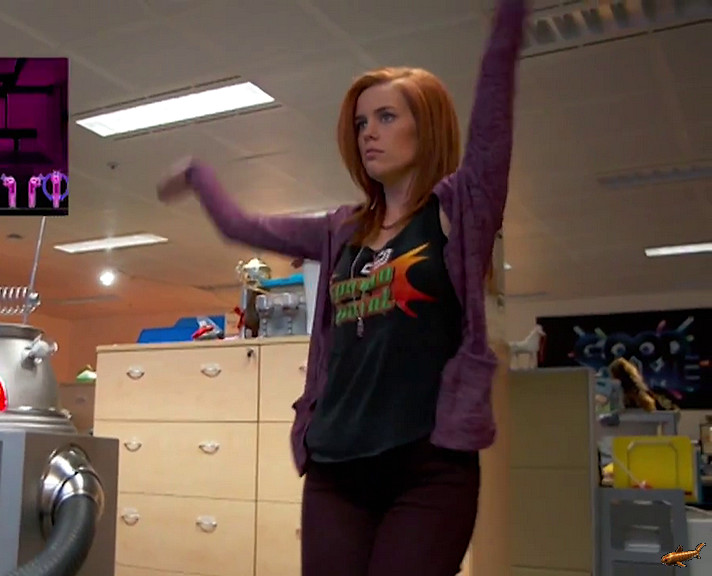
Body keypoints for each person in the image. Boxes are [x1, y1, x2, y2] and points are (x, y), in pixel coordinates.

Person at [155, 1, 529, 573]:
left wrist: (506, 23)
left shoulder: (458, 212)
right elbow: (243, 226)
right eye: (360, 123)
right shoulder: (342, 230)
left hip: (428, 468)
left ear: (425, 126)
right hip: (336, 468)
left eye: (386, 117)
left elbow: (492, 128)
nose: (368, 134)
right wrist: (198, 176)